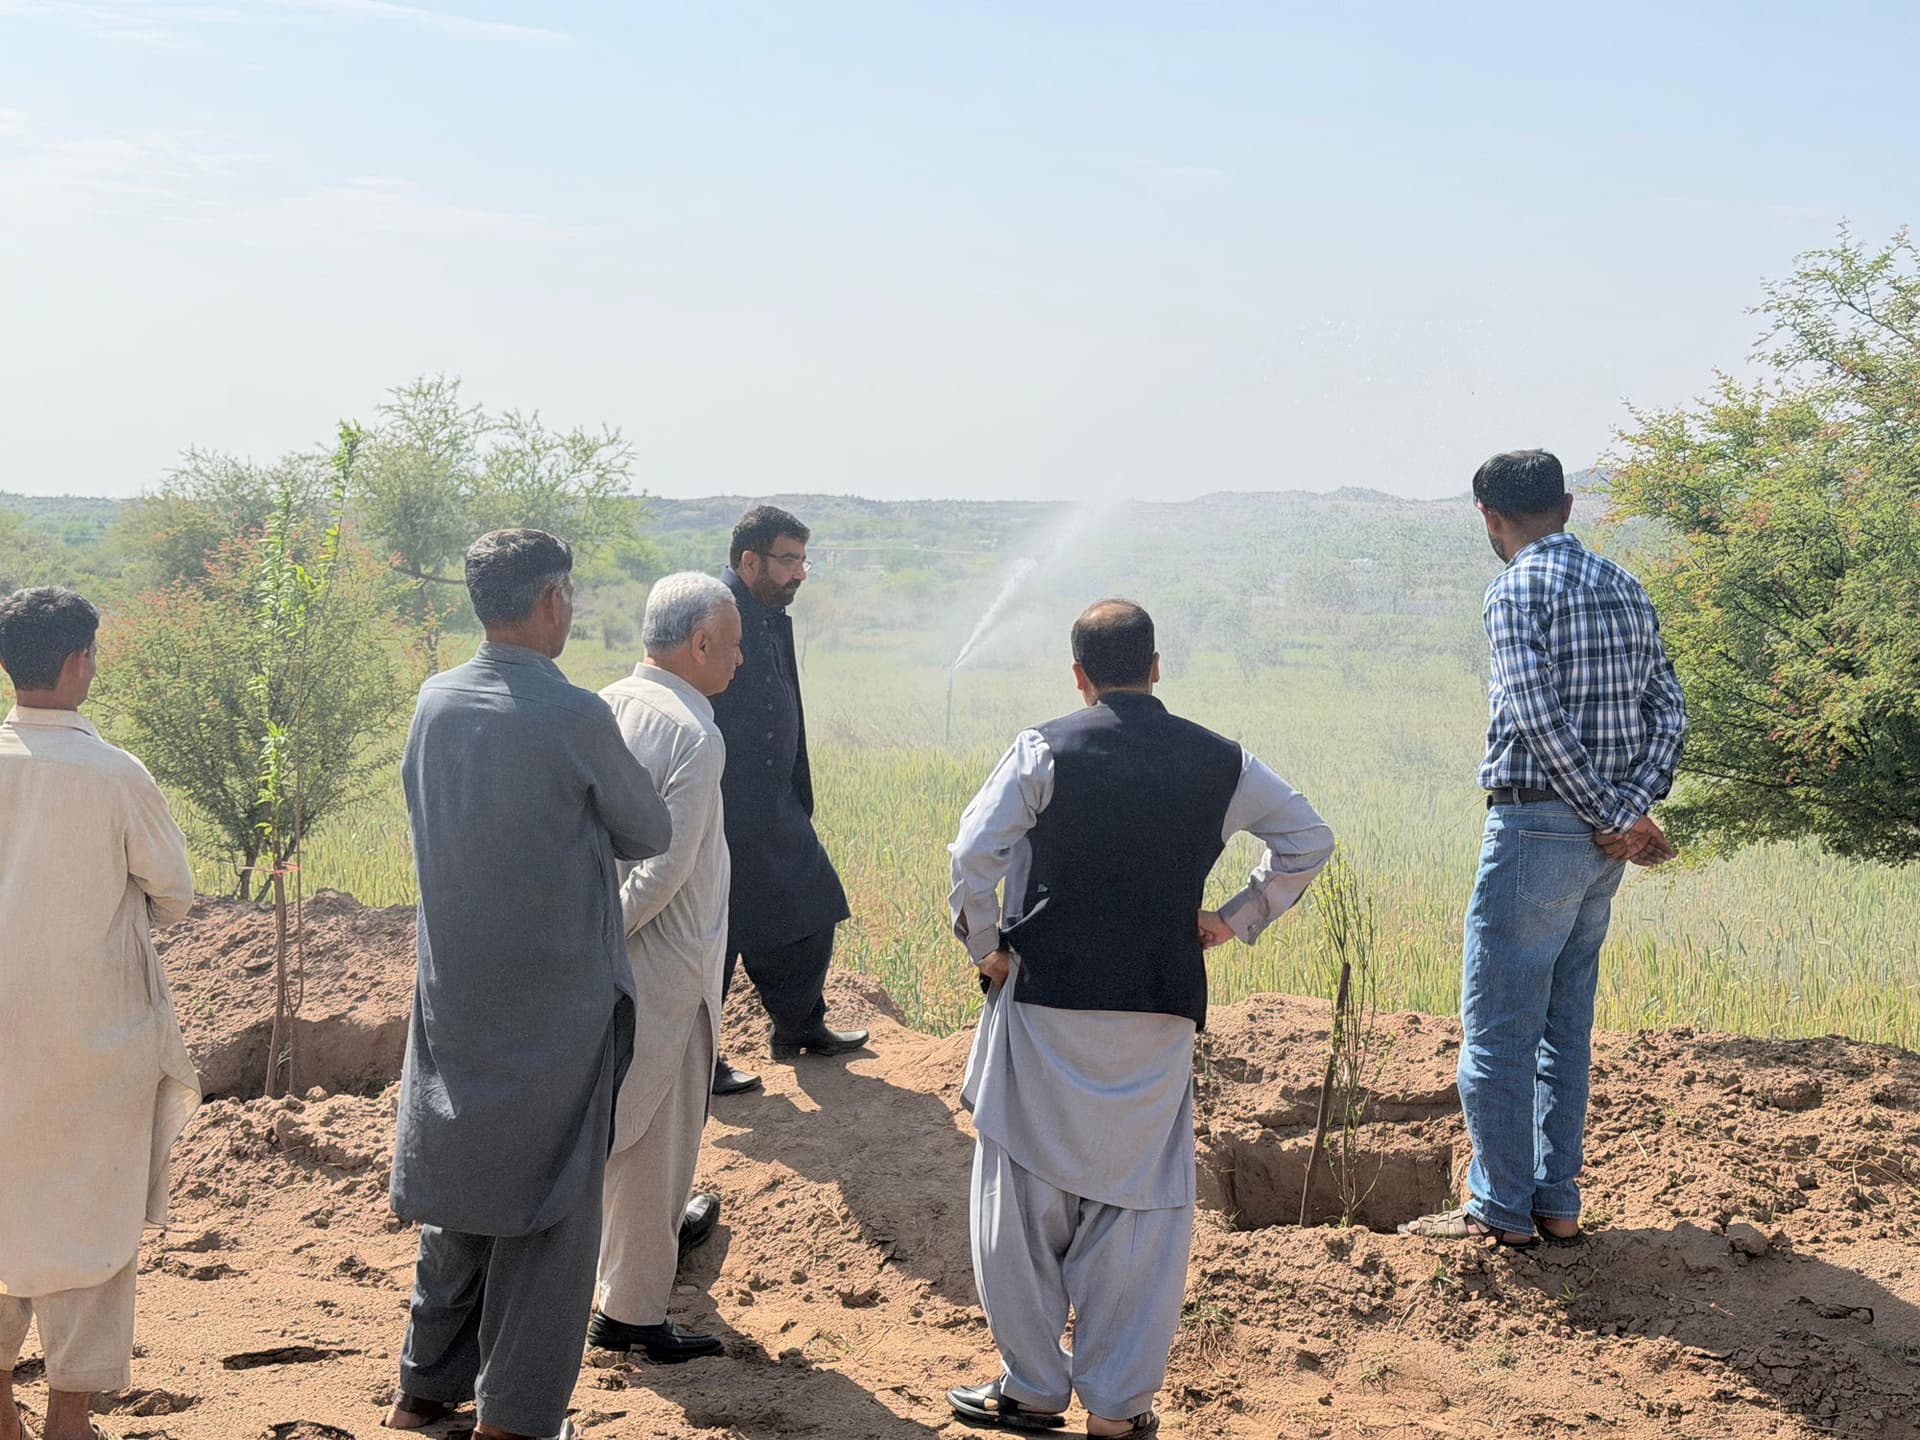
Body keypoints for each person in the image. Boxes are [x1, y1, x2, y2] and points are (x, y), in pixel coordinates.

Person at [945, 600, 1334, 1439]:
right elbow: (1308, 838)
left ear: (1078, 675)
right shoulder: (1222, 761)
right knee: (1138, 1211)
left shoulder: (1044, 747)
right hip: (1160, 1008)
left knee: (1019, 1197)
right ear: (1157, 667)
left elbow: (973, 854)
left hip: (1047, 1001)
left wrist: (985, 945)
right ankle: (1119, 1414)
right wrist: (1235, 917)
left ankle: (1032, 1389)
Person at [384, 530, 673, 1440]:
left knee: (465, 1194)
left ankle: (424, 1389)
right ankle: (514, 1417)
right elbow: (648, 827)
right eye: (571, 596)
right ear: (551, 600)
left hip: (456, 994)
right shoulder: (574, 712)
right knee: (553, 1213)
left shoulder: (436, 701)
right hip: (559, 1006)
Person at [1400, 450, 1685, 1249]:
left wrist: (1605, 811)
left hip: (1536, 827)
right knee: (1566, 1022)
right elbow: (1671, 711)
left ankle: (1498, 1209)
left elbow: (1532, 714)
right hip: (1604, 847)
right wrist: (1631, 814)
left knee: (1497, 1027)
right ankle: (1557, 1204)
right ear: (1565, 505)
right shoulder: (1625, 586)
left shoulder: (1515, 588)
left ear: (1490, 518)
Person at [0, 587, 199, 1440]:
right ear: (82, 661)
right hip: (95, 1042)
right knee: (90, 1214)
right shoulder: (116, 774)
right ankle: (68, 1414)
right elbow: (175, 894)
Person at [589, 573, 743, 1364]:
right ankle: (632, 1312)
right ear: (701, 643)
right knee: (657, 1135)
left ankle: (619, 1276)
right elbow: (661, 874)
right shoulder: (695, 732)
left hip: (610, 965)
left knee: (618, 1121)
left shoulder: (605, 702)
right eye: (735, 642)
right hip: (665, 965)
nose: (742, 659)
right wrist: (601, 939)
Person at [707, 505, 866, 1096]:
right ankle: (699, 1061)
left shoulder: (767, 613)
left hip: (772, 804)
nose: (800, 573)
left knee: (810, 905)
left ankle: (799, 1027)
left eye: (803, 560)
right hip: (719, 809)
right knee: (712, 942)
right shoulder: (714, 612)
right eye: (788, 560)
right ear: (750, 561)